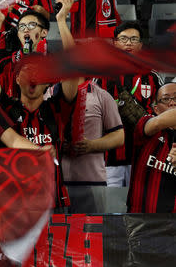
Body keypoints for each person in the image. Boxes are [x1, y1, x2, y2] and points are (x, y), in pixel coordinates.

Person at [0, 0, 80, 210]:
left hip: (51, 200)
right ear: (16, 79)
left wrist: (62, 20)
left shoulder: (56, 108)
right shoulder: (6, 109)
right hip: (11, 202)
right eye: (21, 26)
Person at [97, 21, 163, 187]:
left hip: (144, 152)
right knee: (111, 205)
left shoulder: (152, 76)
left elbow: (163, 109)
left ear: (141, 45)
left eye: (134, 39)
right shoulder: (102, 75)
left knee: (139, 207)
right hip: (111, 154)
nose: (128, 43)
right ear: (115, 43)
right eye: (124, 38)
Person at [61, 76, 124, 213]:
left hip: (92, 181)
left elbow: (119, 136)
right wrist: (59, 144)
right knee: (58, 232)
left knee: (91, 232)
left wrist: (91, 145)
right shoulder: (50, 94)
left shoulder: (101, 96)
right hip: (58, 183)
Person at [127, 82, 176, 213]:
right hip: (140, 222)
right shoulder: (146, 124)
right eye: (166, 99)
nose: (172, 103)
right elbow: (158, 123)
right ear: (156, 109)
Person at [0, 9, 50, 98]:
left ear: (44, 32)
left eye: (32, 25)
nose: (26, 29)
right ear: (18, 34)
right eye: (21, 26)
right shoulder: (6, 64)